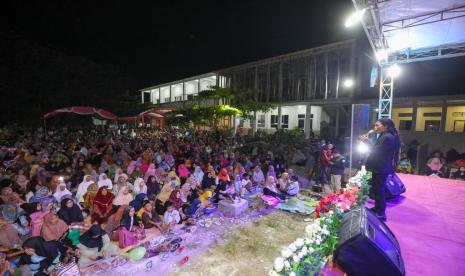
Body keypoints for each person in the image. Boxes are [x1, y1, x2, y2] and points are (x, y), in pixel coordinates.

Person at [362, 118, 400, 222]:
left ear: (386, 126)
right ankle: (378, 209)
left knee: (379, 191)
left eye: (377, 125)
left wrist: (366, 141)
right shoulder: (385, 136)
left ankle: (380, 213)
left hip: (380, 167)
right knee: (378, 190)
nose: (375, 128)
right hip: (380, 167)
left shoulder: (387, 137)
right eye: (375, 125)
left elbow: (376, 151)